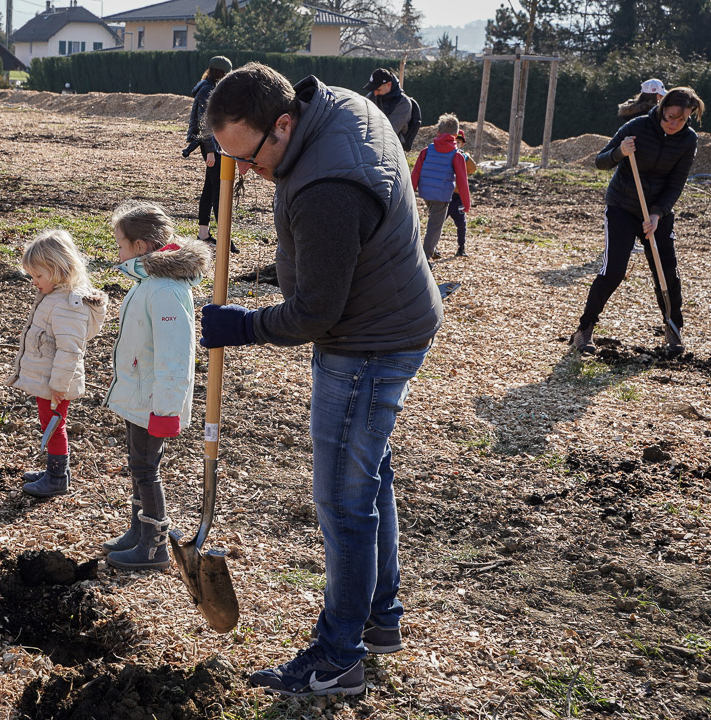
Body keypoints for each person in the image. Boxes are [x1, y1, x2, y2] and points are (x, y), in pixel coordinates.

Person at [202, 62, 442, 696]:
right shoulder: (335, 106)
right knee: (370, 474)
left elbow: (314, 312)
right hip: (398, 310)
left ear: (283, 123)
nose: (243, 173)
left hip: (366, 341)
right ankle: (379, 619)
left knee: (343, 499)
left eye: (247, 157)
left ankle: (339, 657)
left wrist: (243, 327)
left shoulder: (328, 188)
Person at [102, 201, 209, 570]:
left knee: (147, 469)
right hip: (140, 392)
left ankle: (154, 545)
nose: (117, 251)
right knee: (138, 465)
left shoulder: (165, 291)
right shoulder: (149, 281)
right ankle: (138, 530)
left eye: (120, 244)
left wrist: (165, 410)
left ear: (142, 247)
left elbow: (174, 357)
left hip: (153, 399)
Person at [571, 87, 704, 356]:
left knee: (667, 272)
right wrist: (620, 151)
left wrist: (657, 213)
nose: (674, 124)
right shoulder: (637, 127)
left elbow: (676, 183)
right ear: (662, 108)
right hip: (622, 206)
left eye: (682, 119)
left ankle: (673, 329)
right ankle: (584, 330)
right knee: (614, 270)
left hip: (657, 212)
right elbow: (600, 162)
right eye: (670, 117)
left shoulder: (688, 140)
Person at [7, 230, 108, 498]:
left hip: (56, 381)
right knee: (49, 423)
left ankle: (57, 478)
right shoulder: (57, 297)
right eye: (32, 276)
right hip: (49, 378)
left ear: (59, 269)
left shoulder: (68, 305)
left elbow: (70, 350)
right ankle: (54, 471)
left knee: (54, 425)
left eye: (38, 276)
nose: (34, 282)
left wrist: (59, 385)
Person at [185, 55, 238, 254]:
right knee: (218, 192)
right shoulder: (208, 90)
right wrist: (210, 151)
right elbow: (205, 124)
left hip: (212, 146)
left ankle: (204, 234)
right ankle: (224, 238)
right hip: (212, 147)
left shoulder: (206, 87)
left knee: (209, 188)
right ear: (220, 73)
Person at [410, 113, 471, 261]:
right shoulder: (457, 155)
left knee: (434, 220)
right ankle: (424, 257)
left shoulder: (426, 150)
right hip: (442, 194)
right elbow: (462, 181)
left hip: (425, 192)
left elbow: (415, 172)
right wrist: (467, 204)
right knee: (435, 226)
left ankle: (433, 248)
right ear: (456, 135)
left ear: (438, 133)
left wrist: (410, 192)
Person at [363, 68, 420, 151]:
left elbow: (389, 130)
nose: (375, 93)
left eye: (378, 89)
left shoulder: (403, 103)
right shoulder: (372, 96)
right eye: (373, 89)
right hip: (370, 144)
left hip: (391, 149)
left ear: (389, 85)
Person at [447, 129, 478, 257]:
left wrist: (465, 158)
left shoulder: (463, 156)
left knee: (461, 223)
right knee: (438, 222)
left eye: (458, 142)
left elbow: (472, 169)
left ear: (462, 144)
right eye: (454, 141)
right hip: (446, 194)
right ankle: (433, 246)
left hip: (458, 196)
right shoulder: (445, 155)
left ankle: (461, 247)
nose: (456, 144)